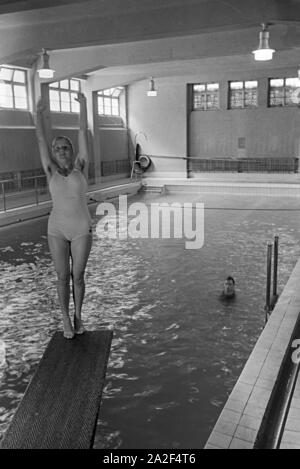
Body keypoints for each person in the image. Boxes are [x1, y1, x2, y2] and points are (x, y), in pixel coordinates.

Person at [35, 92, 92, 339]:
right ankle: (66, 319)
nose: (61, 151)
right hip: (56, 228)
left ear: (71, 150)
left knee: (77, 276)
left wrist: (84, 107)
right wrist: (38, 115)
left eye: (65, 147)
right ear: (53, 152)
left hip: (81, 228)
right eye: (57, 148)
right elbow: (39, 139)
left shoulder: (81, 166)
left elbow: (82, 133)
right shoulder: (50, 170)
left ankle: (79, 315)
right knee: (62, 276)